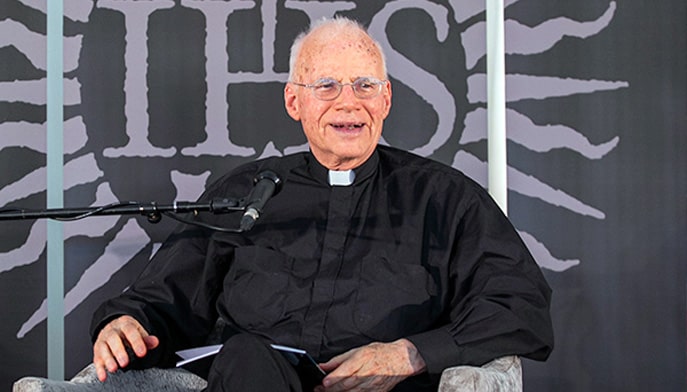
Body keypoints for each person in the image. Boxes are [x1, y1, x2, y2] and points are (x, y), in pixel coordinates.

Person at [91, 17, 553, 392]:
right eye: (327, 85)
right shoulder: (248, 191)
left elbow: (520, 306)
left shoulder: (447, 199)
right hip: (255, 383)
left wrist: (411, 353)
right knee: (248, 355)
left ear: (386, 98)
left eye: (365, 86)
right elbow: (164, 298)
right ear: (294, 101)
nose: (348, 103)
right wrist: (124, 322)